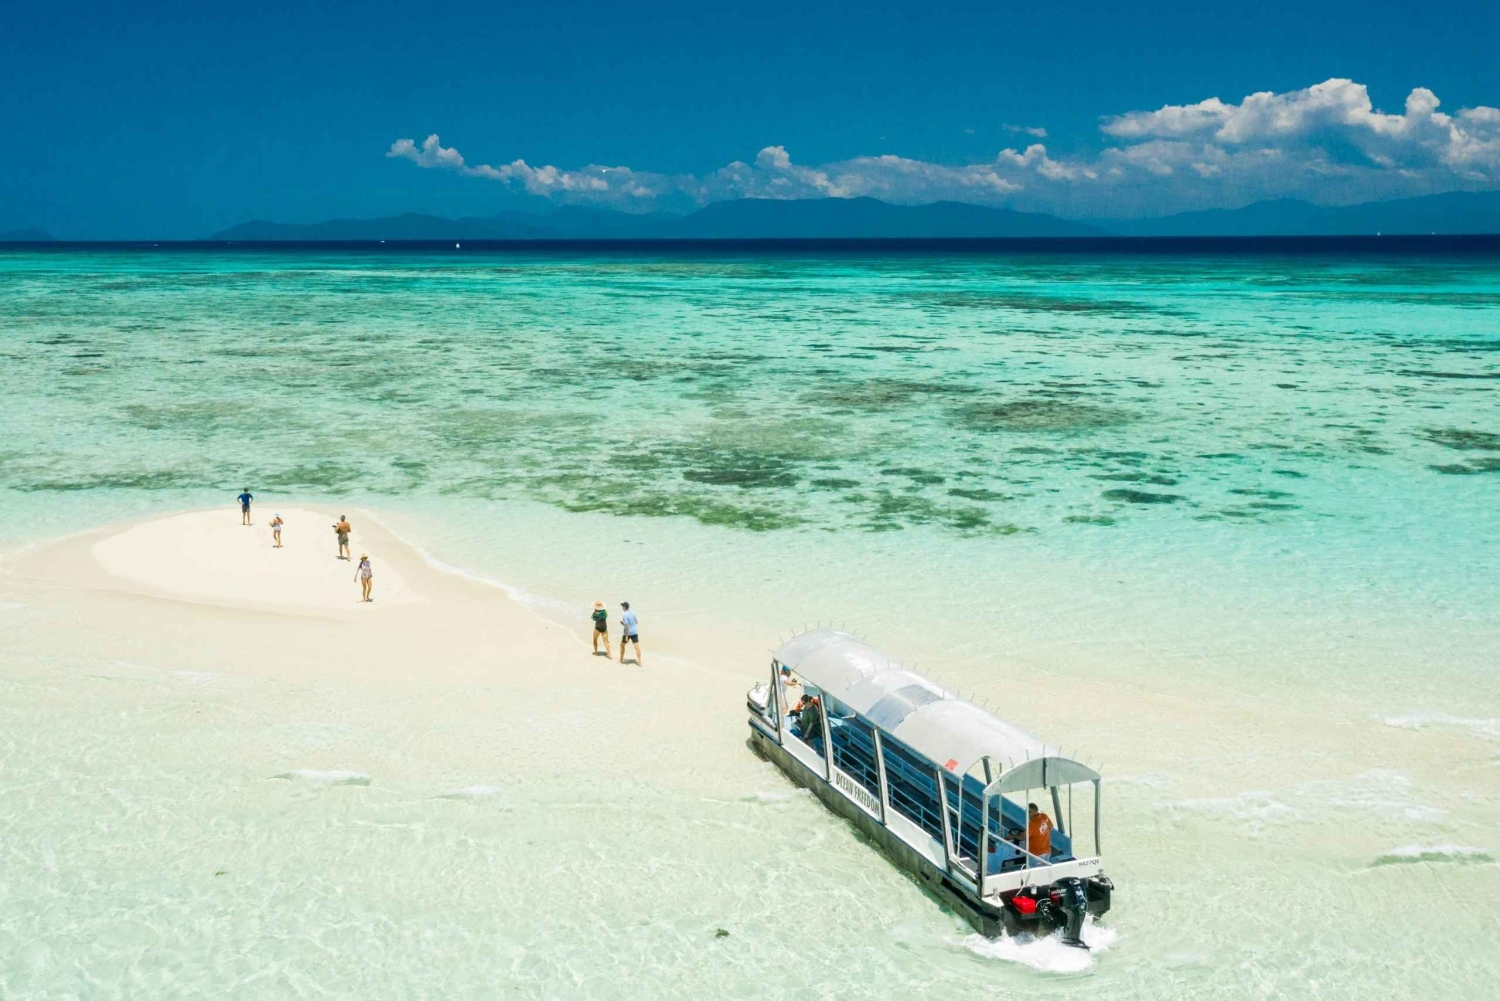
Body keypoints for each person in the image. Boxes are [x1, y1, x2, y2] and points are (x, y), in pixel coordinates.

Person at [617, 601, 642, 665]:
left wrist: (626, 636)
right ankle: (640, 662)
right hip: (634, 632)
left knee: (622, 645)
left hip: (627, 633)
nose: (622, 607)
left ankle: (621, 660)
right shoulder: (633, 612)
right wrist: (627, 624)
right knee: (636, 647)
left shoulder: (624, 615)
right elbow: (636, 622)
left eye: (622, 606)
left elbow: (627, 627)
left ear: (624, 607)